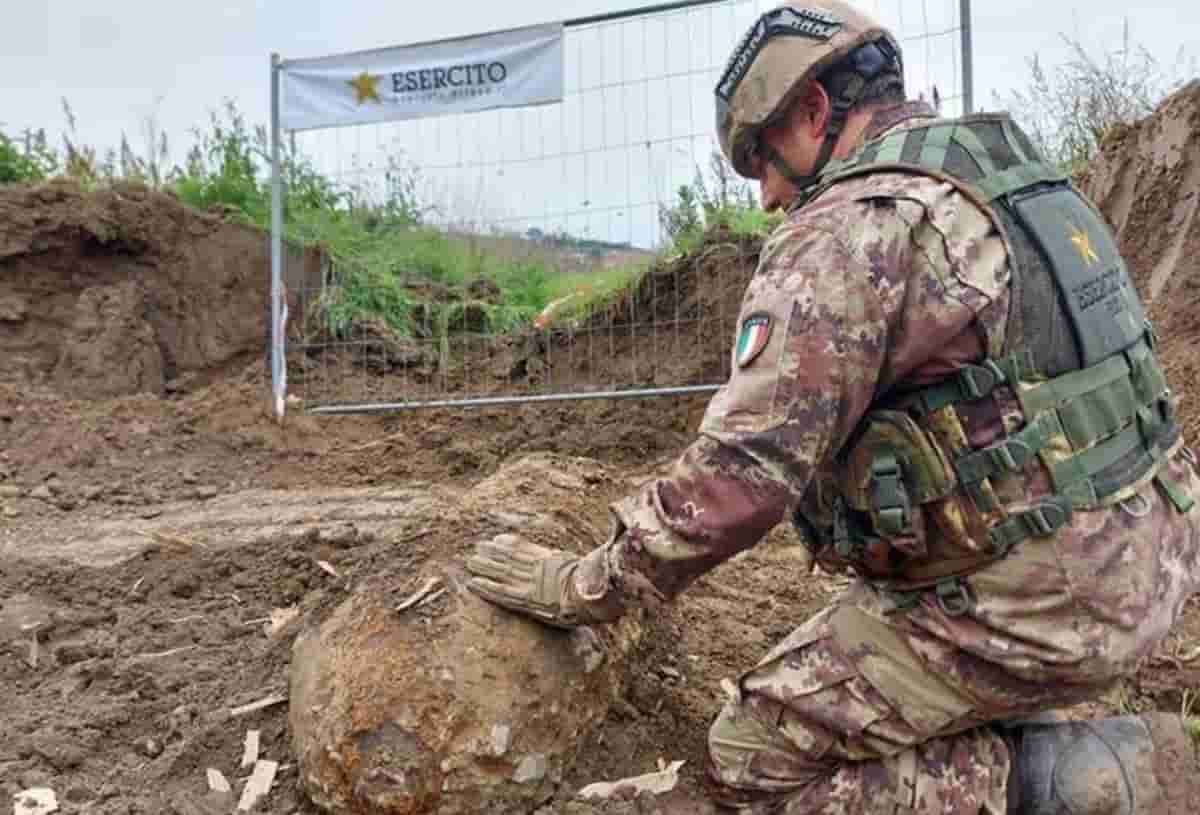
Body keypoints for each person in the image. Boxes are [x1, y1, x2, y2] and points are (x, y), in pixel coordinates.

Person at [465, 2, 1200, 811]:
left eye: (764, 160)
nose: (768, 195)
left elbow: (741, 475)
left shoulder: (851, 227)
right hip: (1155, 554)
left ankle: (1069, 783)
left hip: (1047, 598)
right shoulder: (1010, 178)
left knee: (749, 753)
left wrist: (591, 582)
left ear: (815, 112)